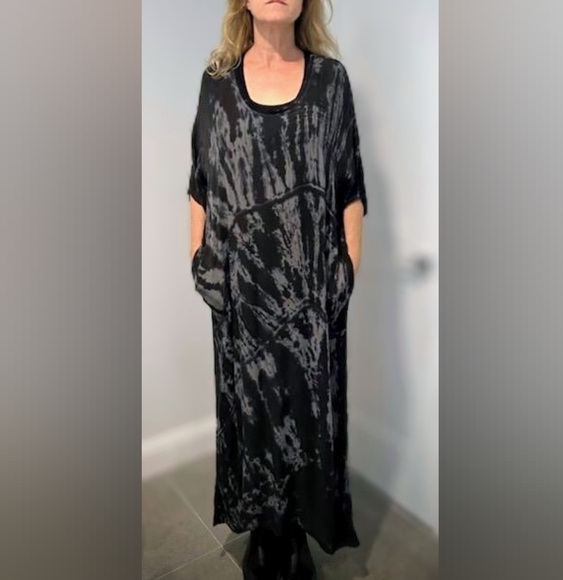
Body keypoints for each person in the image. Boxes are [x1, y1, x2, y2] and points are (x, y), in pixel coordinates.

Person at [187, 0, 368, 577]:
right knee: (254, 419)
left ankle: (295, 532)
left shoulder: (330, 84)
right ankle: (266, 533)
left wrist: (346, 272)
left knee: (307, 421)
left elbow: (349, 184)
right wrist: (201, 264)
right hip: (242, 301)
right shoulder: (217, 85)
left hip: (311, 302)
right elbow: (200, 184)